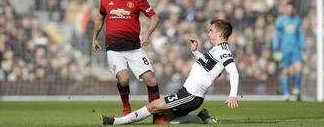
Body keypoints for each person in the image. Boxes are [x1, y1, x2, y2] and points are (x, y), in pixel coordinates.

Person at [101, 19, 239, 125]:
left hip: (191, 95)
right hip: (188, 93)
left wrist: (233, 95)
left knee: (153, 106)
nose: (209, 33)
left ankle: (116, 121)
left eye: (211, 30)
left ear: (220, 33)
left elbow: (234, 72)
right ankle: (199, 117)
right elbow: (208, 65)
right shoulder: (217, 49)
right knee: (165, 119)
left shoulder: (224, 51)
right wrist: (195, 52)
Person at [92, 0, 166, 124]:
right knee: (124, 79)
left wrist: (147, 35)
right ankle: (126, 105)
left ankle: (157, 116)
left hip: (135, 48)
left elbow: (155, 18)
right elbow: (100, 20)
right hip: (114, 49)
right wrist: (94, 39)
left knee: (151, 80)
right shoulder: (106, 0)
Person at [272, 1, 306, 101]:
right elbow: (276, 35)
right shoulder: (280, 20)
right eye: (288, 8)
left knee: (299, 68)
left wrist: (303, 48)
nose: (290, 10)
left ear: (294, 9)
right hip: (284, 50)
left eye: (292, 8)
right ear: (285, 8)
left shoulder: (297, 20)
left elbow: (300, 35)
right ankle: (286, 94)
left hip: (295, 50)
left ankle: (296, 88)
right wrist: (276, 49)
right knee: (285, 71)